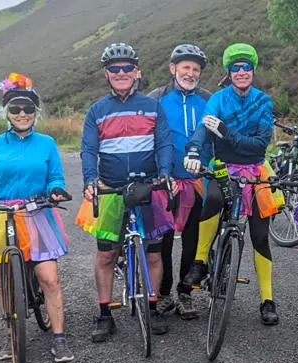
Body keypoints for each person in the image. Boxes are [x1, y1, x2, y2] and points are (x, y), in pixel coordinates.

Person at [0, 73, 74, 363]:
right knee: (3, 280)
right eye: (15, 109)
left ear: (36, 112)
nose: (22, 114)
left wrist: (56, 190)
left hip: (36, 212)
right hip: (0, 214)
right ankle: (11, 331)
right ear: (7, 113)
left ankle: (59, 338)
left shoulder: (47, 143)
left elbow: (55, 177)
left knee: (49, 278)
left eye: (27, 109)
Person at [76, 43, 176, 342]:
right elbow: (88, 149)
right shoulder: (97, 110)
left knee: (154, 254)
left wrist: (166, 173)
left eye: (127, 68)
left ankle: (154, 306)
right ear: (107, 74)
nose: (121, 73)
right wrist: (90, 179)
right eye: (115, 69)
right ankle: (105, 314)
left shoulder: (152, 106)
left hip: (147, 189)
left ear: (137, 72)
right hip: (111, 189)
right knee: (106, 255)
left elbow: (164, 144)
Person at [181, 43, 282, 325]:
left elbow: (260, 143)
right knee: (212, 199)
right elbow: (204, 127)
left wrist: (226, 133)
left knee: (261, 237)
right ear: (228, 72)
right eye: (235, 67)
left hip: (257, 170)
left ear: (253, 70)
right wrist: (192, 150)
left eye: (245, 67)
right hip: (224, 168)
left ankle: (267, 299)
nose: (241, 72)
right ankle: (200, 262)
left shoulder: (263, 101)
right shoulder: (218, 99)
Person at [147, 44, 212, 320]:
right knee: (162, 241)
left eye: (196, 69)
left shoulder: (209, 99)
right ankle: (163, 293)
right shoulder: (156, 98)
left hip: (198, 182)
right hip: (166, 181)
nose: (191, 73)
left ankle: (185, 292)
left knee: (192, 240)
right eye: (185, 67)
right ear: (173, 68)